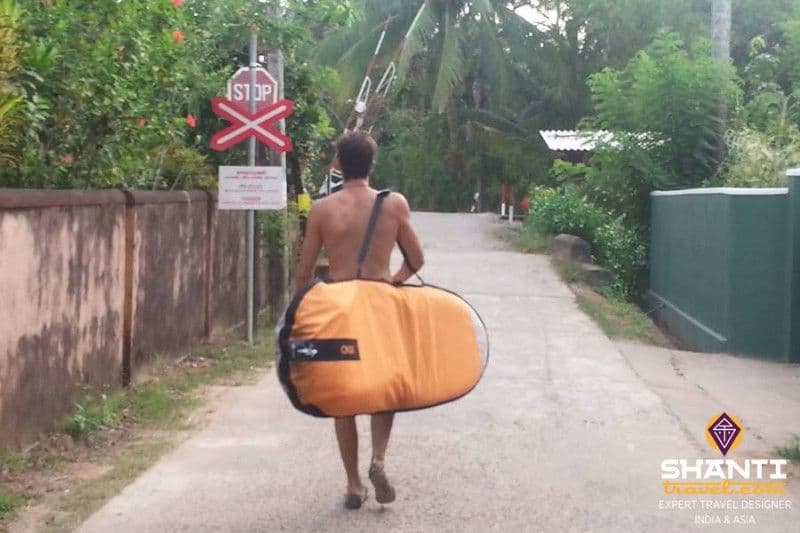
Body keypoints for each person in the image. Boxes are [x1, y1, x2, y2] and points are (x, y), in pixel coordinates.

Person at [294, 131, 425, 510]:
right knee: (385, 386)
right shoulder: (393, 204)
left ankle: (353, 484)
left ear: (338, 163)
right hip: (380, 304)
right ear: (372, 164)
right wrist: (393, 282)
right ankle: (378, 460)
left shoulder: (322, 209)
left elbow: (304, 272)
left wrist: (303, 312)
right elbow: (416, 259)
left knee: (344, 394)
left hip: (339, 307)